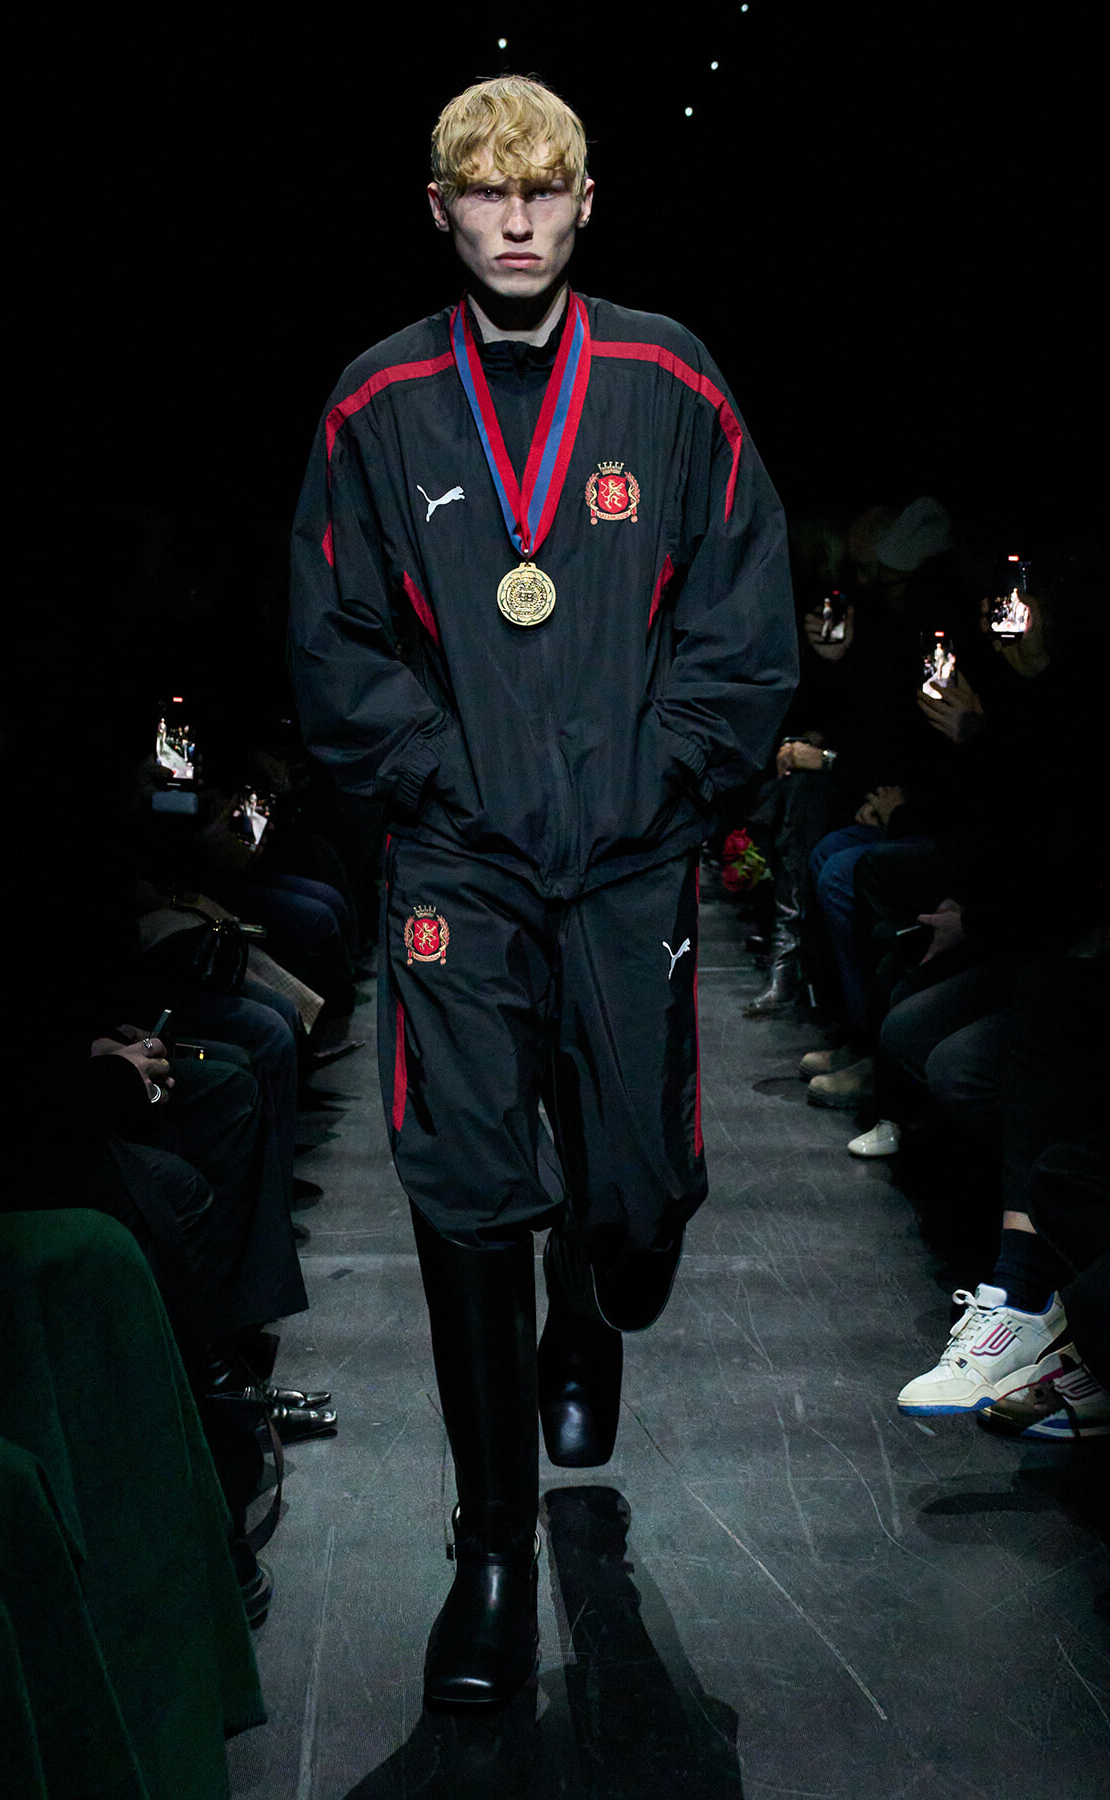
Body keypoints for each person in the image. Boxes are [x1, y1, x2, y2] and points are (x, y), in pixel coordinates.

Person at [289, 75, 796, 1709]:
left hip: (630, 858)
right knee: (461, 1190)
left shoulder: (665, 376)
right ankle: (492, 1553)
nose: (516, 218)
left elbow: (738, 600)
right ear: (436, 209)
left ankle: (595, 1289)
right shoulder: (376, 404)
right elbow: (334, 634)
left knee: (637, 1207)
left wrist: (671, 775)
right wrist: (431, 775)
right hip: (459, 864)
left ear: (589, 203)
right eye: (482, 192)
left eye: (544, 190)